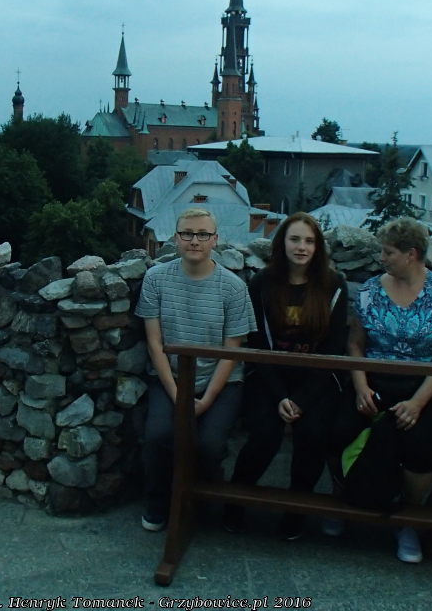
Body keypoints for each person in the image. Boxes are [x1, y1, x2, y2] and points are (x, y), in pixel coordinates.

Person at [342, 217, 432, 563]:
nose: (381, 258)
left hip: (422, 386)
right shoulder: (369, 290)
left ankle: (410, 517)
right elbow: (355, 344)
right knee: (336, 426)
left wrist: (418, 403)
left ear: (411, 254)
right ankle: (345, 501)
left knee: (420, 445)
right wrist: (361, 387)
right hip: (375, 381)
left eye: (388, 252)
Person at [224, 212, 348, 540]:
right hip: (269, 378)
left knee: (313, 434)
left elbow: (334, 348)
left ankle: (296, 509)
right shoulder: (262, 283)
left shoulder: (334, 285)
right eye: (295, 239)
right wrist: (281, 396)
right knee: (265, 435)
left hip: (316, 380)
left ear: (317, 247)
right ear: (282, 243)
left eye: (309, 241)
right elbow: (258, 344)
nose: (301, 247)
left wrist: (301, 400)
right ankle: (236, 499)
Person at [135, 207, 256, 531]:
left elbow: (232, 352)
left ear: (215, 240)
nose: (194, 241)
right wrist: (178, 395)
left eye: (203, 234)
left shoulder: (233, 287)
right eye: (187, 233)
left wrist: (205, 400)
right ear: (175, 238)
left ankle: (206, 501)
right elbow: (154, 343)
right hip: (171, 378)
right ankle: (158, 502)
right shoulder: (156, 279)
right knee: (158, 436)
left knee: (209, 445)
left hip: (221, 381)